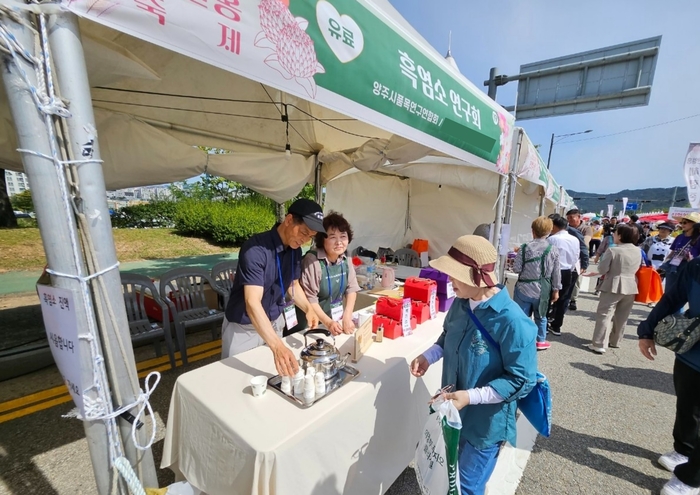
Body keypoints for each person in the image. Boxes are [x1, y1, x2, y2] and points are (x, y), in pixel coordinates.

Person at [409, 235, 537, 495]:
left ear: (477, 277)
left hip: (484, 425)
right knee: (447, 476)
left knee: (465, 487)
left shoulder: (513, 321)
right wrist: (429, 356)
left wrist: (470, 397)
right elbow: (448, 336)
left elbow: (521, 379)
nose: (448, 281)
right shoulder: (461, 303)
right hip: (454, 414)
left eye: (454, 275)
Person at [221, 199, 323, 376]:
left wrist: (308, 308)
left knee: (272, 377)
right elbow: (252, 302)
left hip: (275, 324)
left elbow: (292, 284)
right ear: (289, 220)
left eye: (310, 236)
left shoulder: (295, 251)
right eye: (304, 232)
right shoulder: (255, 249)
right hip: (245, 328)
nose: (305, 240)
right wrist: (277, 346)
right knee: (236, 380)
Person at [638, 258, 700, 495]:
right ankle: (684, 450)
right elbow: (672, 298)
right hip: (691, 351)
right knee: (687, 406)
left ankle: (691, 477)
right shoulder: (696, 266)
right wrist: (647, 330)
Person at [299, 212, 361, 336]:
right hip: (311, 323)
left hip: (334, 321)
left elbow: (351, 288)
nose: (339, 242)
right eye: (332, 237)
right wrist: (328, 323)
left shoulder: (346, 256)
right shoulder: (313, 260)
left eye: (343, 236)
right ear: (322, 239)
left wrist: (347, 316)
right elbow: (310, 298)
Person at [586, 224, 641, 354]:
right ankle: (615, 340)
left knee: (605, 314)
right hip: (631, 284)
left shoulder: (613, 250)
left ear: (620, 235)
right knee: (622, 316)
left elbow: (603, 269)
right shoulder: (638, 250)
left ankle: (599, 343)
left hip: (613, 284)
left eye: (616, 233)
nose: (614, 235)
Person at [512, 216, 561, 351]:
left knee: (521, 316)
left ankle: (521, 339)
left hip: (523, 287)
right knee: (541, 316)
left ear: (532, 231)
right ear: (550, 231)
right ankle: (540, 341)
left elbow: (516, 268)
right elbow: (556, 273)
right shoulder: (553, 249)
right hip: (543, 290)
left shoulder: (524, 247)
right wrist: (556, 290)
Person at [547, 215, 581, 337]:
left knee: (547, 298)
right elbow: (576, 256)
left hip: (553, 271)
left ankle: (545, 325)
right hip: (568, 271)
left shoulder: (552, 239)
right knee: (563, 300)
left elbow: (548, 258)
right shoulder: (574, 239)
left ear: (554, 226)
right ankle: (557, 326)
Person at [661, 212, 700, 292]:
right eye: (681, 222)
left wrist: (692, 260)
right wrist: (665, 263)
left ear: (694, 224)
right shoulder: (679, 237)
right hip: (673, 267)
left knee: (680, 294)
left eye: (685, 222)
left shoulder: (698, 239)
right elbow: (672, 252)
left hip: (688, 267)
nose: (682, 224)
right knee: (668, 292)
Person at [566, 209, 592, 311]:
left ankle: (573, 299)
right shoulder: (566, 227)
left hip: (579, 257)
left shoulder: (586, 228)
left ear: (578, 217)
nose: (569, 220)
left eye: (571, 218)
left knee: (576, 280)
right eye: (568, 218)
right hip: (567, 255)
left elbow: (585, 243)